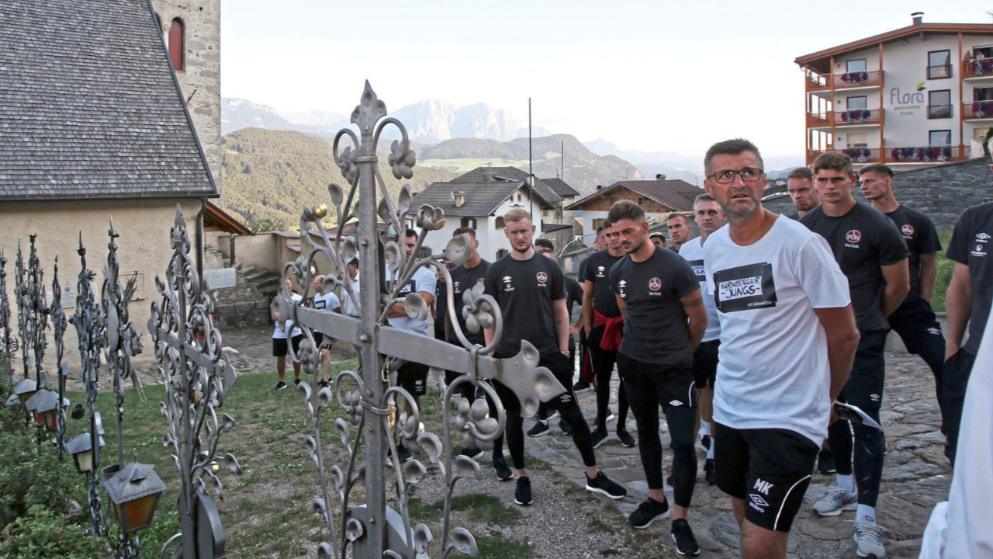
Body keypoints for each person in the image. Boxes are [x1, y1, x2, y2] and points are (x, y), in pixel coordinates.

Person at [702, 138, 858, 559]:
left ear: (763, 181)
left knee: (760, 542)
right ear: (710, 187)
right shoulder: (714, 247)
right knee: (744, 519)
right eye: (725, 175)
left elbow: (844, 334)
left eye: (748, 172)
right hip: (730, 410)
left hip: (787, 415)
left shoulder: (800, 244)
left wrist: (824, 398)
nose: (738, 183)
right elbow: (736, 327)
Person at [802, 152, 909, 559]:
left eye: (837, 179)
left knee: (865, 421)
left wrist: (870, 319)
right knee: (830, 413)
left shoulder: (876, 224)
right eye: (823, 179)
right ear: (815, 182)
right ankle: (844, 486)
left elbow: (898, 285)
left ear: (851, 181)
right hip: (819, 339)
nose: (830, 186)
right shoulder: (806, 227)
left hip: (863, 339)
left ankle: (867, 516)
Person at [484, 209, 627, 507]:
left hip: (548, 355)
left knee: (572, 415)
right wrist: (490, 353)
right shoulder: (497, 271)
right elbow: (489, 317)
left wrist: (563, 350)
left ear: (533, 230)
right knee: (514, 416)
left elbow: (561, 312)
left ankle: (593, 474)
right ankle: (522, 476)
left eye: (524, 231)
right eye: (514, 232)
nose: (520, 236)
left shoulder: (548, 267)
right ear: (506, 234)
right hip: (509, 357)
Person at [607, 200, 706, 553]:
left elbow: (699, 319)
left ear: (646, 228)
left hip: (675, 369)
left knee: (682, 443)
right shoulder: (618, 271)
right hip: (635, 365)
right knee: (646, 434)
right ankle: (656, 498)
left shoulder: (675, 266)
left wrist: (680, 351)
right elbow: (628, 312)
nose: (622, 238)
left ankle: (680, 518)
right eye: (616, 233)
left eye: (628, 231)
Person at [860, 163, 948, 443]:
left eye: (870, 181)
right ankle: (869, 440)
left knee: (945, 365)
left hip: (910, 307)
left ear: (888, 181)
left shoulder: (915, 220)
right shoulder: (861, 222)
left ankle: (953, 431)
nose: (864, 186)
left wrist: (924, 299)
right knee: (864, 376)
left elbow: (929, 263)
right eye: (862, 182)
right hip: (873, 308)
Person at [443, 226, 513, 481]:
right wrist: (448, 344)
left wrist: (495, 345)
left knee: (495, 402)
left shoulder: (491, 271)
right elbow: (448, 312)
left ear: (476, 243)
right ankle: (472, 444)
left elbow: (500, 312)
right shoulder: (453, 275)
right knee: (467, 400)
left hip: (488, 347)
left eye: (467, 242)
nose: (463, 248)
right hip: (461, 348)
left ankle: (498, 455)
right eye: (458, 243)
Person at [676, 193, 726, 485]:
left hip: (725, 337)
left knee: (719, 398)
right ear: (695, 218)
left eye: (712, 212)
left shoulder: (734, 245)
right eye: (702, 213)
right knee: (691, 397)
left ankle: (714, 457)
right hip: (694, 335)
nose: (707, 217)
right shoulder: (687, 250)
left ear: (723, 215)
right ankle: (687, 458)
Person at [943, 195, 993, 465]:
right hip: (978, 352)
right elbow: (961, 286)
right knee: (967, 448)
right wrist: (953, 345)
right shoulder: (975, 219)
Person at [580, 220, 634, 449]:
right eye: (608, 235)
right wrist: (587, 325)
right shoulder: (594, 261)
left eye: (616, 234)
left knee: (626, 379)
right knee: (601, 379)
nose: (613, 239)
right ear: (603, 237)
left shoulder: (633, 259)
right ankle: (601, 426)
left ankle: (621, 427)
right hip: (601, 326)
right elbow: (587, 295)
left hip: (626, 329)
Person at [386, 229, 437, 463]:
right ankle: (389, 440)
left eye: (412, 245)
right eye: (404, 245)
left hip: (416, 344)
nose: (408, 249)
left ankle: (407, 439)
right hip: (388, 343)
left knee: (412, 396)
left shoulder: (426, 274)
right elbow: (375, 307)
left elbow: (422, 304)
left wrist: (390, 307)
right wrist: (409, 306)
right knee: (389, 397)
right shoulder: (384, 273)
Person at [528, 238, 583, 438]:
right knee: (539, 384)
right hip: (541, 344)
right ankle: (543, 420)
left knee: (565, 386)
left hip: (564, 343)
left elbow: (587, 302)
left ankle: (566, 419)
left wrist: (578, 326)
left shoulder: (569, 283)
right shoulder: (532, 284)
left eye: (549, 260)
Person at [574, 227, 607, 392]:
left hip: (614, 317)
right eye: (604, 237)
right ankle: (587, 380)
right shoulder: (588, 263)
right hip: (594, 315)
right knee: (589, 351)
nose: (607, 240)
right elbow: (584, 293)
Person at [272, 277, 305, 390]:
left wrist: (284, 315)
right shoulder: (277, 300)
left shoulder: (298, 298)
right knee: (281, 358)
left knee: (297, 356)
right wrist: (289, 315)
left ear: (292, 285)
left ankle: (297, 378)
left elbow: (301, 315)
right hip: (280, 334)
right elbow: (274, 316)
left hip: (295, 333)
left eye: (288, 283)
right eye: (284, 284)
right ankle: (281, 381)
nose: (286, 286)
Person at [311, 274, 341, 388]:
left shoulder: (332, 296)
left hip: (328, 330)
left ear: (323, 283)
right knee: (321, 354)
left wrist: (334, 327)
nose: (314, 285)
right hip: (318, 330)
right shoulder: (316, 297)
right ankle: (328, 376)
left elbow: (338, 312)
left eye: (316, 283)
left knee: (325, 353)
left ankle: (325, 381)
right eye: (314, 283)